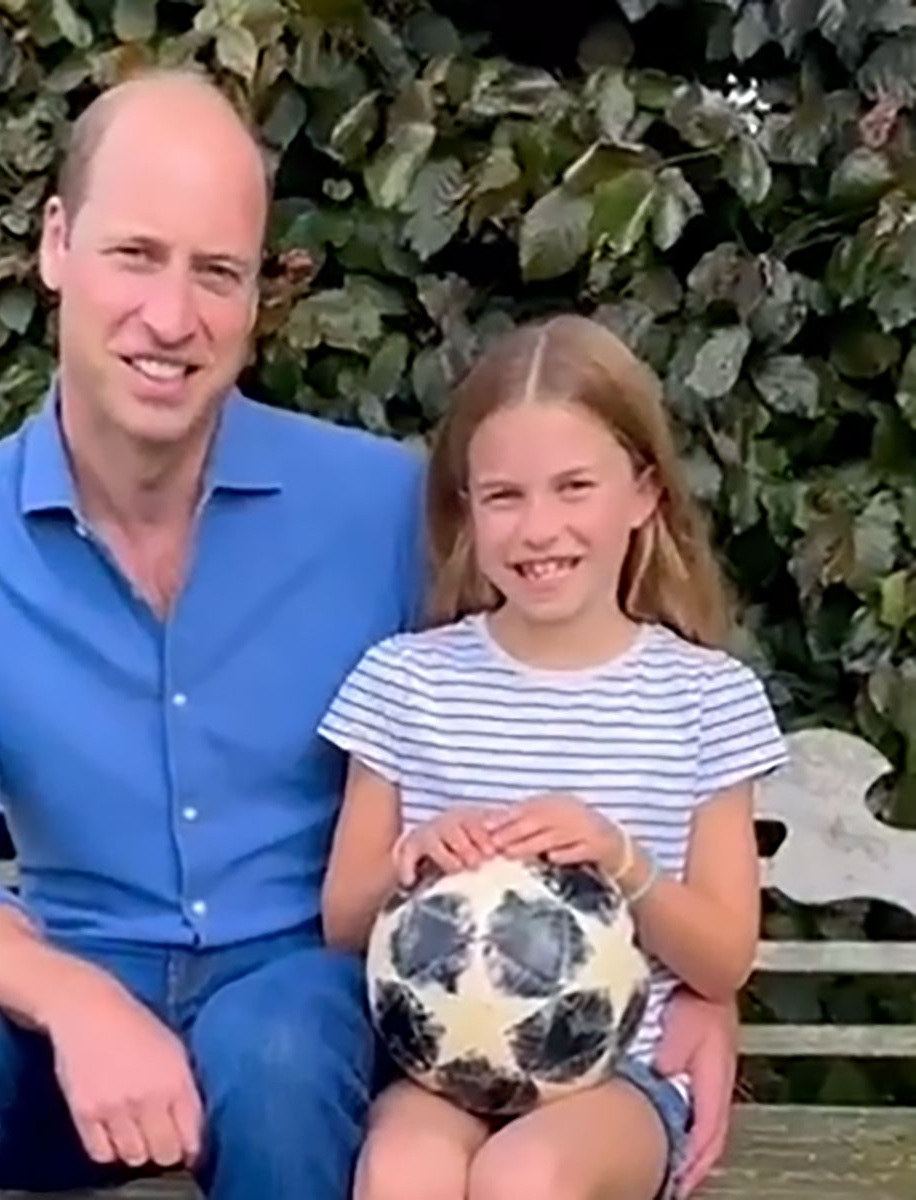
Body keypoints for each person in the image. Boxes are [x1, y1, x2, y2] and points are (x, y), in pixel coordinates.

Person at [0, 68, 743, 1200]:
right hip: (66, 1025)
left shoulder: (385, 509)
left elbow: (536, 722)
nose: (172, 316)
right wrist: (80, 1003)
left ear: (258, 296)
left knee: (278, 1047)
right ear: (56, 243)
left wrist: (691, 994)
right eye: (135, 255)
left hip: (305, 1010)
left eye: (218, 273)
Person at [318, 314, 786, 1200]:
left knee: (524, 1178)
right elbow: (343, 919)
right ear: (466, 511)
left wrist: (622, 861)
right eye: (504, 496)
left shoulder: (704, 698)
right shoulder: (406, 681)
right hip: (440, 1069)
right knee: (401, 1171)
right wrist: (407, 863)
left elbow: (724, 958)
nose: (540, 529)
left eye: (575, 487)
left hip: (617, 1080)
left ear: (644, 493)